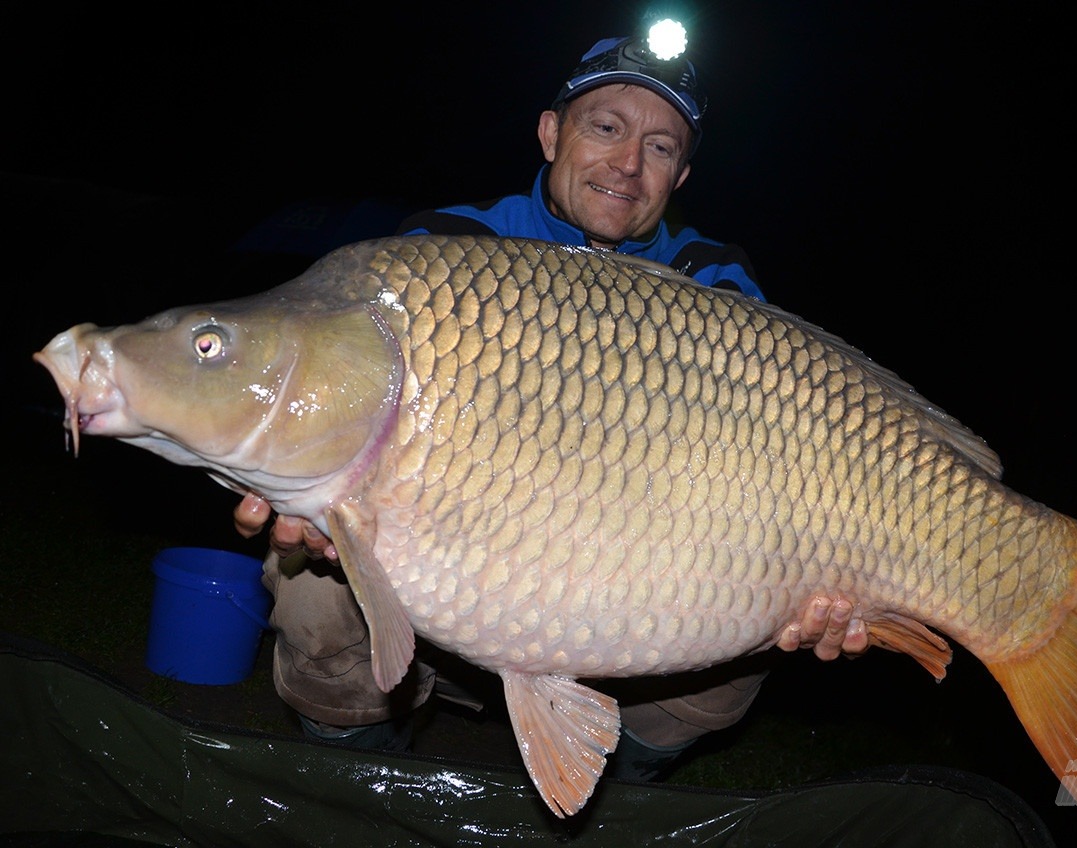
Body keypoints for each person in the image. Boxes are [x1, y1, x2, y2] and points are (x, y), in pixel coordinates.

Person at [234, 31, 868, 778]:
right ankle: (368, 791)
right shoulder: (447, 249)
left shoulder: (715, 283)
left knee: (743, 651)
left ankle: (621, 797)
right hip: (439, 585)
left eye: (660, 147)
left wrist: (818, 584)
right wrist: (309, 479)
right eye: (605, 128)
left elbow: (790, 462)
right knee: (311, 586)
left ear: (683, 174)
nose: (628, 165)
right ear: (550, 132)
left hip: (634, 607)